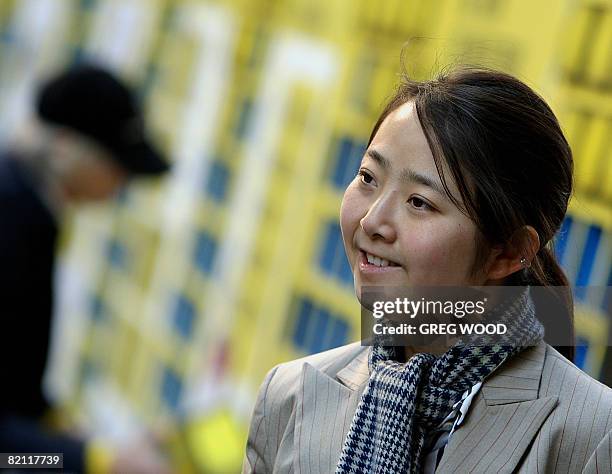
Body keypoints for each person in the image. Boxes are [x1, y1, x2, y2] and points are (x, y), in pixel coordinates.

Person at [242, 66, 612, 473]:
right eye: (368, 177)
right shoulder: (289, 397)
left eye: (419, 202)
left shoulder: (591, 434)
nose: (371, 222)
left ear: (508, 251)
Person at [0, 64, 171, 473]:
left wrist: (51, 428)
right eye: (117, 164)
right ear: (64, 145)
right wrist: (92, 461)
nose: (122, 183)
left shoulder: (27, 212)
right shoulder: (12, 223)